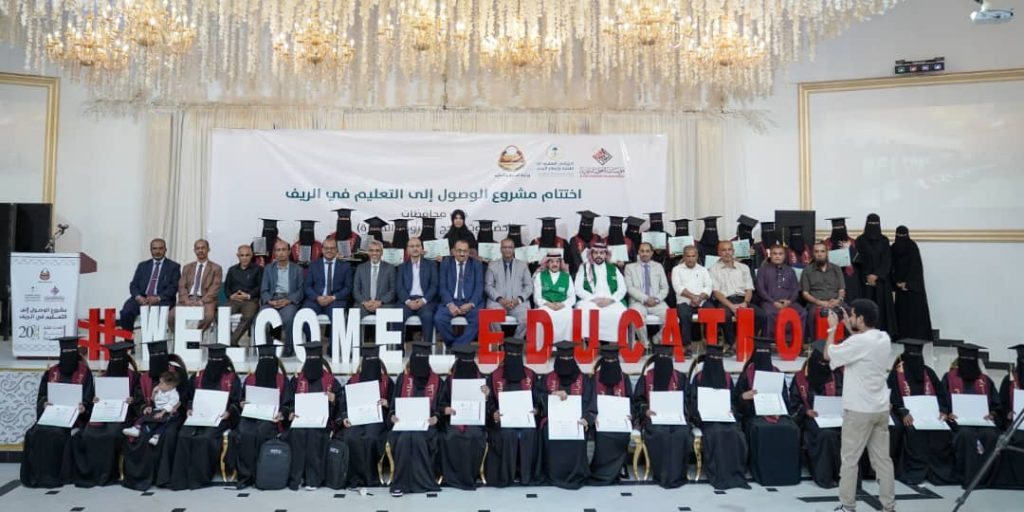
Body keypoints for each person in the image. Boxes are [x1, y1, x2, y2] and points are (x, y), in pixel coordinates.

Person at [823, 299, 896, 512]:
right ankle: (889, 506)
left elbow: (828, 354)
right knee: (883, 461)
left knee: (849, 460)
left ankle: (847, 506)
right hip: (880, 409)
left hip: (858, 411)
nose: (850, 318)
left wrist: (832, 329)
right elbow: (862, 343)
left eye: (853, 315)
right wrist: (849, 327)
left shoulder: (858, 343)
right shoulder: (884, 338)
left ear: (861, 319)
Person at [20, 337, 95, 488]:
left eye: (71, 351)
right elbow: (42, 396)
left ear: (76, 353)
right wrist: (44, 403)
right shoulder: (51, 372)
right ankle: (37, 476)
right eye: (65, 352)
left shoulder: (84, 372)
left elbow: (88, 398)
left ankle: (53, 476)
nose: (68, 355)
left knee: (56, 434)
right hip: (52, 415)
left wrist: (84, 407)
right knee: (34, 433)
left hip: (73, 418)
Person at [121, 339, 191, 490]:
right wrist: (145, 407)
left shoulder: (176, 374)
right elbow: (139, 399)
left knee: (169, 435)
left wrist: (177, 406)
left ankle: (163, 478)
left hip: (172, 416)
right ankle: (144, 477)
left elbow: (185, 396)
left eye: (160, 355)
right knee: (142, 435)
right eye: (153, 356)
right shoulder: (145, 377)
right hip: (151, 415)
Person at [170, 344, 241, 490]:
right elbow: (189, 397)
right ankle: (181, 479)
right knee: (183, 435)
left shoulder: (231, 378)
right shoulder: (198, 376)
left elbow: (236, 401)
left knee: (205, 438)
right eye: (212, 360)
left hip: (220, 418)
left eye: (218, 360)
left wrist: (229, 412)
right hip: (198, 415)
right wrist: (189, 408)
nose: (214, 363)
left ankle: (199, 478)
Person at [72, 341, 143, 487]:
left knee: (111, 434)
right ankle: (93, 474)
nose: (116, 363)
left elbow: (139, 400)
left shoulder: (135, 377)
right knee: (88, 434)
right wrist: (95, 400)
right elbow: (92, 400)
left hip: (123, 416)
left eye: (119, 360)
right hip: (102, 414)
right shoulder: (103, 377)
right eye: (113, 359)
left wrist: (133, 400)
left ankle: (108, 474)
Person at [887, 338, 955, 486]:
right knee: (912, 430)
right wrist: (903, 412)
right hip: (907, 415)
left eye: (918, 357)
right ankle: (914, 471)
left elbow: (941, 394)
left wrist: (943, 410)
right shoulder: (896, 374)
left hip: (930, 415)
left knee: (941, 431)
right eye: (912, 356)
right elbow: (892, 398)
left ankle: (936, 471)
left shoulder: (928, 372)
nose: (915, 360)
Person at [734, 337, 801, 486]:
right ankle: (764, 474)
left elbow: (785, 398)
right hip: (753, 414)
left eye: (766, 352)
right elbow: (736, 400)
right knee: (761, 428)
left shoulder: (776, 372)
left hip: (776, 413)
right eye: (761, 352)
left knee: (790, 428)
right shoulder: (747, 373)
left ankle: (787, 474)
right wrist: (744, 397)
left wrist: (780, 409)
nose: (763, 356)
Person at [388, 342, 445, 497]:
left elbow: (441, 406)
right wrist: (392, 416)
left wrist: (436, 418)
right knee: (404, 438)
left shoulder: (437, 381)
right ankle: (400, 483)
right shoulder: (403, 379)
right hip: (403, 425)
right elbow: (393, 405)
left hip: (427, 425)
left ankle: (423, 481)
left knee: (419, 438)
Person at [688, 344, 749, 490]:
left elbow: (733, 400)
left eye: (718, 358)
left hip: (724, 417)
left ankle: (735, 474)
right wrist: (701, 414)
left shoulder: (727, 378)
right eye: (712, 358)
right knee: (716, 433)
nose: (715, 360)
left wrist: (731, 410)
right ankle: (719, 475)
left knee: (736, 434)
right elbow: (692, 402)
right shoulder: (699, 378)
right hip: (706, 420)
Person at [633, 342, 693, 488]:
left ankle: (678, 474)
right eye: (661, 356)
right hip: (654, 419)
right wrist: (645, 410)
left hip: (676, 418)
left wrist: (682, 411)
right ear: (656, 358)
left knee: (681, 433)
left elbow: (688, 399)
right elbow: (638, 400)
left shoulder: (680, 377)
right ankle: (662, 474)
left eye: (668, 357)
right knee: (661, 433)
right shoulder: (646, 378)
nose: (665, 359)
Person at [228, 343, 287, 490]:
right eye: (263, 359)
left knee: (261, 433)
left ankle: (260, 474)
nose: (266, 363)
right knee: (244, 433)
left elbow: (288, 403)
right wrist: (242, 403)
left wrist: (282, 413)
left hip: (271, 418)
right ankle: (245, 476)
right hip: (251, 415)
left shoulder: (282, 380)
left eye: (269, 359)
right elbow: (242, 398)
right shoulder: (250, 379)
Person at [485, 338, 544, 487]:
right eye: (511, 355)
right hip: (503, 422)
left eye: (517, 355)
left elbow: (538, 400)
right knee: (507, 434)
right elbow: (490, 402)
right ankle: (506, 476)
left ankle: (526, 476)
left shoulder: (531, 375)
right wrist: (494, 412)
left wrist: (536, 409)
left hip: (526, 421)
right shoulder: (494, 376)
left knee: (529, 433)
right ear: (505, 355)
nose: (514, 357)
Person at [942, 342, 1001, 488]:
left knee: (991, 435)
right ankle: (968, 478)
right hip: (958, 422)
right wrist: (948, 413)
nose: (968, 363)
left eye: (971, 360)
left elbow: (996, 404)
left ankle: (986, 479)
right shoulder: (949, 378)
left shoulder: (985, 380)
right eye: (965, 359)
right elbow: (941, 401)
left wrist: (992, 414)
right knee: (965, 435)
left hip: (982, 421)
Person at [285, 342, 342, 491]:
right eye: (310, 359)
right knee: (297, 433)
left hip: (322, 421)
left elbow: (341, 399)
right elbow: (289, 401)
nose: (312, 362)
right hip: (301, 420)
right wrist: (290, 412)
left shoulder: (330, 380)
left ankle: (313, 479)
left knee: (314, 434)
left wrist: (334, 398)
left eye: (315, 359)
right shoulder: (297, 379)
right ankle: (297, 478)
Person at [539, 341, 595, 489]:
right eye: (562, 359)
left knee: (578, 432)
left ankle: (576, 474)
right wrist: (552, 394)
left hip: (577, 420)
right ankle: (553, 474)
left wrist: (586, 418)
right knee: (548, 431)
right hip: (553, 420)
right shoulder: (548, 378)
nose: (565, 362)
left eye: (568, 359)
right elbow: (538, 397)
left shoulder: (583, 379)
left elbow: (591, 402)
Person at [789, 340, 844, 488]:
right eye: (820, 363)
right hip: (811, 418)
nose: (823, 366)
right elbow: (793, 403)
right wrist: (805, 411)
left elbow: (843, 395)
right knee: (827, 434)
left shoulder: (835, 376)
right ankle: (825, 477)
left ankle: (845, 478)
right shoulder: (800, 378)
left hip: (835, 417)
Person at [338, 343, 394, 488]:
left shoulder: (387, 381)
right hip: (357, 418)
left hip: (377, 418)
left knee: (371, 437)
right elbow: (344, 402)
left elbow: (394, 403)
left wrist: (387, 403)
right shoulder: (353, 380)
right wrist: (344, 417)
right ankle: (354, 477)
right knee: (351, 437)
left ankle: (370, 477)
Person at [439, 344, 489, 490]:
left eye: (469, 362)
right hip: (455, 420)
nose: (467, 365)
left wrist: (487, 396)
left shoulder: (482, 380)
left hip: (475, 420)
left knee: (475, 436)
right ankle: (452, 476)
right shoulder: (449, 380)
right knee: (451, 436)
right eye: (463, 362)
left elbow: (490, 407)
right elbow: (441, 402)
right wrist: (445, 409)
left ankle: (471, 475)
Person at [588, 343, 634, 485]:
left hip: (620, 421)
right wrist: (593, 416)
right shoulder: (594, 378)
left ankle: (617, 470)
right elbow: (590, 401)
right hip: (600, 421)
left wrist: (631, 414)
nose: (610, 363)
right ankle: (600, 471)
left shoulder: (624, 378)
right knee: (603, 435)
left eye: (613, 360)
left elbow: (631, 400)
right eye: (607, 360)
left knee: (621, 435)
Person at [709, 240, 764, 353]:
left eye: (729, 249)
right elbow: (716, 292)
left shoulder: (743, 267)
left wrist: (745, 303)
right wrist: (731, 306)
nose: (727, 253)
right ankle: (732, 343)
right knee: (725, 315)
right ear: (719, 252)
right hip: (725, 301)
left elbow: (749, 289)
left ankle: (745, 340)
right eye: (724, 250)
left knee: (761, 315)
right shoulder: (713, 269)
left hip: (742, 299)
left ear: (733, 251)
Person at [118, 238, 180, 331]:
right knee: (126, 312)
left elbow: (173, 287)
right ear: (151, 250)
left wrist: (157, 298)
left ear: (165, 250)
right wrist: (138, 297)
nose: (157, 251)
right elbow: (133, 285)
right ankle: (128, 339)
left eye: (160, 248)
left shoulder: (173, 266)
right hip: (142, 298)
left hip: (162, 300)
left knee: (154, 317)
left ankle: (155, 340)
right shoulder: (142, 265)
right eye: (154, 248)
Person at [575, 243, 627, 343]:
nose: (598, 255)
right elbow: (578, 288)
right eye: (596, 253)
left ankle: (613, 342)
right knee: (584, 312)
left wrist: (611, 299)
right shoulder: (584, 268)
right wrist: (594, 299)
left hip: (610, 300)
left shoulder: (613, 268)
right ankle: (590, 342)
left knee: (620, 312)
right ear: (591, 254)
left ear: (606, 255)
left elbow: (622, 288)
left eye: (601, 253)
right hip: (590, 300)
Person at [435, 239, 484, 347]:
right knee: (439, 319)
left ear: (469, 252)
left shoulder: (476, 264)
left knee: (480, 319)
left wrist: (471, 304)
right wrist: (450, 304)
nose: (462, 254)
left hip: (469, 302)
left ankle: (458, 346)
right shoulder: (446, 263)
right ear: (453, 251)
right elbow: (442, 287)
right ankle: (454, 345)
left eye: (465, 251)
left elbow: (479, 287)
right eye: (459, 250)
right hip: (451, 301)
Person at [261, 240, 305, 357]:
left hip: (289, 300)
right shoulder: (268, 268)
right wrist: (269, 301)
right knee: (264, 317)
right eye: (278, 250)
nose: (281, 253)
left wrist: (288, 300)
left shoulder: (298, 269)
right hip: (272, 299)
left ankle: (288, 348)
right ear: (274, 252)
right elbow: (264, 289)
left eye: (283, 250)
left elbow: (301, 290)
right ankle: (269, 349)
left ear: (289, 252)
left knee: (288, 318)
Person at [854, 214, 896, 335]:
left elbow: (887, 260)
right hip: (865, 281)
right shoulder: (860, 240)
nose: (873, 227)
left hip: (881, 281)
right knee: (866, 307)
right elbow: (858, 260)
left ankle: (882, 333)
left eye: (875, 224)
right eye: (871, 224)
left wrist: (876, 275)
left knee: (882, 307)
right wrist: (868, 275)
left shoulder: (884, 240)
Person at [168, 239, 223, 332]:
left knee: (208, 317)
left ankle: (196, 336)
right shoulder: (187, 267)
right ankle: (179, 336)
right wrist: (186, 300)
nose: (200, 250)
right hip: (188, 299)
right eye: (198, 248)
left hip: (206, 300)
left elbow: (215, 288)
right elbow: (182, 286)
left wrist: (201, 301)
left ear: (208, 249)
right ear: (194, 250)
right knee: (171, 316)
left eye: (203, 248)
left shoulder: (216, 268)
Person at [755, 245, 806, 342]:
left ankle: (796, 342)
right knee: (769, 313)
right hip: (769, 302)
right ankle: (770, 342)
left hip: (788, 303)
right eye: (775, 254)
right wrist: (773, 302)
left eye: (780, 254)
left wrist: (789, 301)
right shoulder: (763, 270)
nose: (777, 256)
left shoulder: (790, 271)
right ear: (770, 255)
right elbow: (760, 290)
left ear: (784, 256)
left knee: (802, 312)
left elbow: (796, 289)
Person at [303, 237, 352, 337]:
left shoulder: (345, 266)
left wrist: (333, 297)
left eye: (332, 248)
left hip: (336, 300)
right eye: (326, 248)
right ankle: (311, 344)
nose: (329, 250)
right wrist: (317, 297)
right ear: (322, 250)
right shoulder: (313, 265)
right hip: (316, 300)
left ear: (337, 250)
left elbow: (348, 287)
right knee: (306, 314)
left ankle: (333, 346)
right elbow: (307, 286)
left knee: (337, 318)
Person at [485, 237, 533, 338]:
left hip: (518, 303)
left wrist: (518, 300)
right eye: (505, 247)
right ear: (500, 249)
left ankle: (514, 343)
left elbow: (529, 286)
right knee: (492, 318)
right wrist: (500, 299)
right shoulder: (492, 265)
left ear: (514, 249)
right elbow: (488, 286)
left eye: (510, 247)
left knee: (527, 319)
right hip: (497, 303)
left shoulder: (522, 265)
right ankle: (498, 343)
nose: (507, 250)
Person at [890, 226, 933, 340]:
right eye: (899, 236)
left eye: (903, 236)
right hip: (900, 289)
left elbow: (916, 268)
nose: (901, 239)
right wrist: (896, 282)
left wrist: (908, 284)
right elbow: (892, 267)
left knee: (915, 313)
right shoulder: (893, 248)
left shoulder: (912, 247)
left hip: (913, 290)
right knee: (902, 314)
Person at [991, 343, 1024, 488]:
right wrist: (1007, 413)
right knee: (1015, 438)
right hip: (1015, 423)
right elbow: (1001, 404)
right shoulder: (1009, 380)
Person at [624, 242, 669, 345]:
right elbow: (629, 288)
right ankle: (645, 343)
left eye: (647, 251)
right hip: (638, 302)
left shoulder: (658, 266)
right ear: (638, 252)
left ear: (652, 253)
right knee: (636, 316)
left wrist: (656, 299)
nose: (645, 254)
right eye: (642, 251)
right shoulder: (629, 267)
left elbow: (665, 288)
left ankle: (657, 338)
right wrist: (645, 299)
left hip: (657, 302)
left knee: (671, 317)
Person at [397, 237, 439, 342]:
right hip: (407, 301)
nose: (415, 249)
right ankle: (399, 350)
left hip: (425, 301)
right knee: (398, 316)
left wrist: (423, 300)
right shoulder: (402, 267)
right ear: (407, 250)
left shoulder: (431, 265)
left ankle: (426, 349)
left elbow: (434, 286)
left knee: (427, 316)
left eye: (417, 246)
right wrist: (408, 301)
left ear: (422, 249)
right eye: (412, 246)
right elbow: (399, 287)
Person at [122, 371, 180, 446]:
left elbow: (170, 405)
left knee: (163, 423)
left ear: (170, 386)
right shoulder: (160, 390)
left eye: (162, 383)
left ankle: (156, 437)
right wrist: (154, 392)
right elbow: (153, 399)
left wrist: (161, 413)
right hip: (157, 409)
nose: (159, 385)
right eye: (159, 382)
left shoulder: (174, 394)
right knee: (145, 417)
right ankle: (136, 428)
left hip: (168, 412)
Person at [801, 242, 847, 333]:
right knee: (812, 315)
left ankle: (846, 340)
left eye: (822, 251)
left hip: (835, 301)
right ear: (813, 254)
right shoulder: (807, 270)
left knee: (847, 311)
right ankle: (814, 341)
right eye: (816, 251)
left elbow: (841, 290)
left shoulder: (836, 269)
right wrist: (820, 302)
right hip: (816, 303)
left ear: (827, 253)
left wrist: (838, 300)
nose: (819, 254)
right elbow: (805, 293)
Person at [672, 245, 712, 349]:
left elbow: (708, 286)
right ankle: (687, 345)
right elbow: (678, 287)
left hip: (701, 301)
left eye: (693, 256)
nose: (690, 259)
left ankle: (709, 342)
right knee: (684, 315)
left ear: (697, 256)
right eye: (688, 256)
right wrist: (693, 297)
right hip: (684, 302)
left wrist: (699, 298)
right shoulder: (676, 269)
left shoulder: (703, 270)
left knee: (712, 311)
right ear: (684, 256)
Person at [224, 244, 262, 346]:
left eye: (247, 255)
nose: (244, 258)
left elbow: (260, 287)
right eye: (242, 255)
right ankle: (231, 339)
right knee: (219, 314)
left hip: (250, 301)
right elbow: (227, 287)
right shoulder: (232, 270)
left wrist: (248, 295)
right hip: (234, 300)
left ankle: (232, 341)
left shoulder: (258, 269)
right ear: (238, 256)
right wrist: (231, 296)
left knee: (248, 316)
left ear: (251, 255)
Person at [352, 240, 397, 316]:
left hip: (383, 304)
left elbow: (393, 290)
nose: (374, 253)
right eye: (371, 250)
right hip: (363, 304)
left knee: (388, 314)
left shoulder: (390, 268)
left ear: (382, 252)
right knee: (354, 314)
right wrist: (365, 302)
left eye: (377, 250)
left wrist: (380, 302)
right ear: (368, 252)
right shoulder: (360, 268)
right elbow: (356, 290)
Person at [823, 217, 862, 302]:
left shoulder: (853, 242)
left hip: (849, 278)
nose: (838, 230)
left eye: (841, 228)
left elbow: (860, 260)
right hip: (831, 277)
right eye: (836, 228)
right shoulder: (826, 243)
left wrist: (850, 248)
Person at [567, 210, 602, 275]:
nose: (586, 227)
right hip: (578, 274)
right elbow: (575, 260)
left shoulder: (597, 239)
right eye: (584, 224)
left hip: (595, 273)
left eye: (589, 225)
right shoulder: (574, 240)